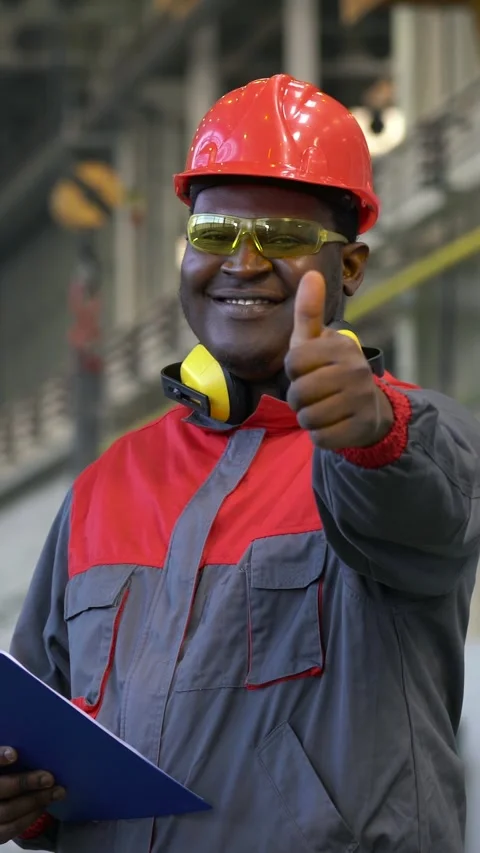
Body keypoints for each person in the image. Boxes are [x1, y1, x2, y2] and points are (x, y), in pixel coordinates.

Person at [1, 74, 479, 853]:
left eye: (285, 238)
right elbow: (43, 728)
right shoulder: (106, 484)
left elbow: (424, 508)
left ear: (349, 266)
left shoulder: (411, 440)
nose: (243, 262)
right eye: (216, 234)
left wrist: (371, 434)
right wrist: (28, 797)